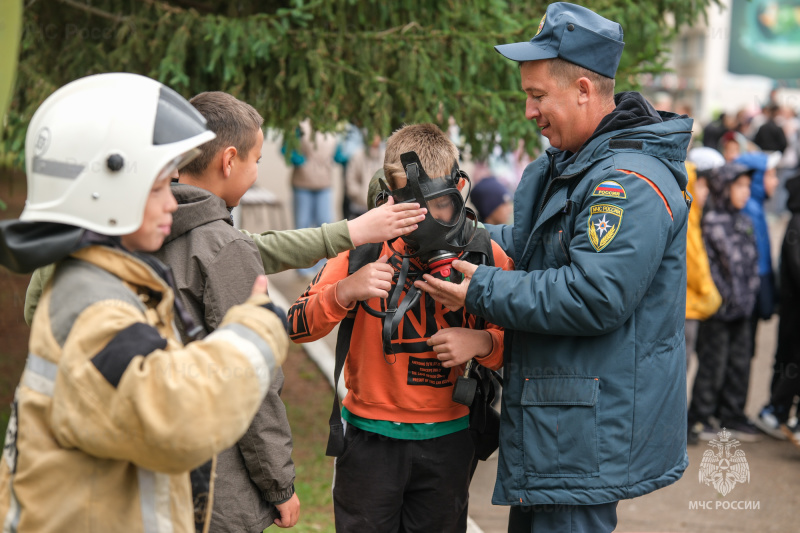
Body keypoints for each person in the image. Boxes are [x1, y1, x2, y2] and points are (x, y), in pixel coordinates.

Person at [414, 3, 692, 531]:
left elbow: (594, 295)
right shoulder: (570, 163)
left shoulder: (626, 182)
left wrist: (480, 290)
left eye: (537, 95)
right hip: (558, 420)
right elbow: (528, 245)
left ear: (584, 89)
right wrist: (456, 235)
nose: (528, 111)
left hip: (583, 434)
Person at [0, 73, 289, 532]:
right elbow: (178, 420)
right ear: (105, 190)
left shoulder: (96, 279)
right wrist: (255, 331)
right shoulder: (95, 306)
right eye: (157, 188)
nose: (173, 204)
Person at [288, 123, 514, 533]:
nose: (431, 219)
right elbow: (296, 326)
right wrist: (344, 292)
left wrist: (481, 342)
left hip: (449, 440)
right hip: (370, 442)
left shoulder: (485, 252)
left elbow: (521, 342)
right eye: (416, 207)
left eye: (443, 204)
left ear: (459, 190)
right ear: (390, 199)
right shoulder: (363, 247)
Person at [153, 91, 299, 532]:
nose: (256, 173)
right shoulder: (223, 247)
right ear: (229, 160)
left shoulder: (143, 229)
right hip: (218, 487)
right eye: (256, 160)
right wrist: (280, 484)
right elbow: (251, 378)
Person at [688, 163, 761, 442]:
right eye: (738, 186)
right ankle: (700, 415)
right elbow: (710, 268)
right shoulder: (710, 222)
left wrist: (750, 295)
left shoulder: (744, 221)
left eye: (746, 186)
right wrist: (723, 298)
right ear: (723, 188)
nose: (745, 192)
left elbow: (752, 263)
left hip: (743, 309)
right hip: (719, 311)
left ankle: (732, 414)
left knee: (740, 363)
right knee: (713, 365)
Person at [754, 173, 800, 442]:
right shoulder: (797, 223)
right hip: (794, 312)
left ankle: (781, 412)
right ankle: (775, 411)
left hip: (793, 311)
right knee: (789, 364)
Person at [684, 148, 723, 414]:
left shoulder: (694, 213)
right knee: (681, 368)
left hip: (691, 305)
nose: (706, 191)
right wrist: (712, 295)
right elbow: (695, 264)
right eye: (702, 185)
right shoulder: (687, 215)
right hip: (687, 307)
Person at [289, 118, 338, 277]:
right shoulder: (301, 126)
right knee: (303, 225)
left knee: (326, 223)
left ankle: (324, 266)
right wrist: (299, 160)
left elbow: (337, 153)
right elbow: (287, 148)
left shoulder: (332, 128)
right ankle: (302, 266)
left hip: (324, 183)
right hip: (303, 183)